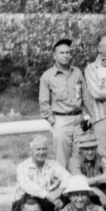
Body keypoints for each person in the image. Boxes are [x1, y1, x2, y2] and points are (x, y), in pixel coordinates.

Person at [39, 38, 92, 170]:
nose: (66, 56)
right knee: (62, 158)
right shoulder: (47, 76)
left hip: (79, 119)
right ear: (54, 55)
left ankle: (80, 185)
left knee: (82, 153)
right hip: (61, 120)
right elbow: (44, 103)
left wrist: (92, 115)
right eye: (62, 53)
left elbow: (85, 95)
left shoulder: (77, 72)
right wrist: (53, 122)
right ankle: (62, 187)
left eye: (68, 53)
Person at [13, 135, 71, 211]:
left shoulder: (53, 164)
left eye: (44, 149)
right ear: (30, 151)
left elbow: (68, 176)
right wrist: (50, 196)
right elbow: (27, 185)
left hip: (46, 202)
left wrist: (59, 191)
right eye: (38, 149)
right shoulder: (23, 167)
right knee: (30, 197)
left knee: (67, 194)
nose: (42, 152)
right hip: (23, 204)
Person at [69, 133, 106, 211]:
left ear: (96, 148)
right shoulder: (74, 160)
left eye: (92, 148)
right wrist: (100, 193)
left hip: (99, 191)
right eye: (86, 149)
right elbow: (79, 181)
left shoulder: (100, 157)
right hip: (84, 193)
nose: (90, 152)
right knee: (82, 192)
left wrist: (93, 180)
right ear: (80, 149)